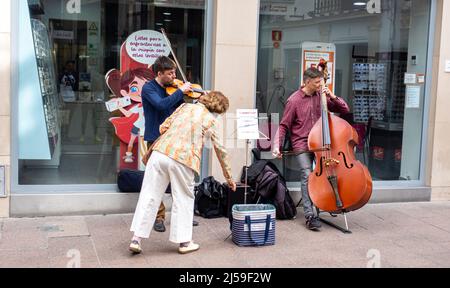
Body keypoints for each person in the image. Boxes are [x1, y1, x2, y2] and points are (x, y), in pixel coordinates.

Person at [129, 91, 237, 254]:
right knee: (183, 199)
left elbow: (162, 127)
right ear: (218, 109)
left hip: (160, 153)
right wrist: (229, 177)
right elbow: (220, 150)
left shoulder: (184, 107)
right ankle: (185, 243)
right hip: (183, 159)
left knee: (149, 195)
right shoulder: (210, 120)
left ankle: (136, 239)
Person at [272, 68, 350, 231]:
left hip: (322, 142)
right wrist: (277, 145)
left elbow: (344, 110)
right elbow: (284, 125)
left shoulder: (321, 96)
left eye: (321, 82)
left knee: (329, 172)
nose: (320, 85)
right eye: (317, 83)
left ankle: (328, 202)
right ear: (307, 82)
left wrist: (332, 96)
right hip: (301, 143)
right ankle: (310, 215)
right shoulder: (294, 101)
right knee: (307, 175)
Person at [140, 56, 190, 232]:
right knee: (156, 180)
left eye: (174, 72)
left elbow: (182, 108)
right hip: (155, 138)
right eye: (170, 73)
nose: (174, 76)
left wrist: (199, 97)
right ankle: (159, 217)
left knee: (178, 177)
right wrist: (181, 91)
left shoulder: (173, 88)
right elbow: (161, 105)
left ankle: (182, 215)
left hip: (173, 138)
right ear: (159, 73)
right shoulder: (148, 89)